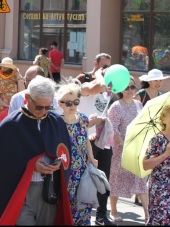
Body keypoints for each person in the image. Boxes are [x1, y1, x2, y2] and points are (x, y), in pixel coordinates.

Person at [0, 76, 73, 225]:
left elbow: (65, 154)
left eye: (48, 107)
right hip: (21, 193)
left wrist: (58, 164)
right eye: (39, 107)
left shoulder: (56, 122)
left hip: (50, 191)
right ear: (27, 98)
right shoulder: (10, 125)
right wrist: (31, 165)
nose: (43, 111)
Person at [76, 53, 116, 226]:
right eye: (104, 67)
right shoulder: (85, 83)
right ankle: (78, 214)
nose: (107, 71)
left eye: (109, 67)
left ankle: (101, 215)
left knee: (103, 177)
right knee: (82, 178)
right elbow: (98, 85)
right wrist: (99, 73)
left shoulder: (109, 88)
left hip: (101, 140)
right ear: (96, 65)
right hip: (85, 139)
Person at [107, 76, 149, 222]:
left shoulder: (138, 104)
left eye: (132, 87)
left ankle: (148, 215)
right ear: (121, 90)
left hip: (137, 150)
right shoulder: (116, 106)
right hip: (121, 150)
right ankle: (113, 210)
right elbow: (113, 129)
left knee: (140, 181)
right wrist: (125, 144)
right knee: (117, 180)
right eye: (126, 88)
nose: (130, 90)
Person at [56, 82, 98, 225]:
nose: (72, 105)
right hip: (65, 171)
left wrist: (91, 158)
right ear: (60, 103)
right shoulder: (57, 122)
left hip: (81, 169)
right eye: (68, 103)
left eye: (75, 102)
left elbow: (86, 141)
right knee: (67, 205)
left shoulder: (84, 119)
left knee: (84, 205)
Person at [143, 104, 170, 225]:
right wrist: (165, 154)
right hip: (160, 187)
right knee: (160, 220)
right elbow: (145, 165)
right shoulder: (158, 139)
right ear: (163, 119)